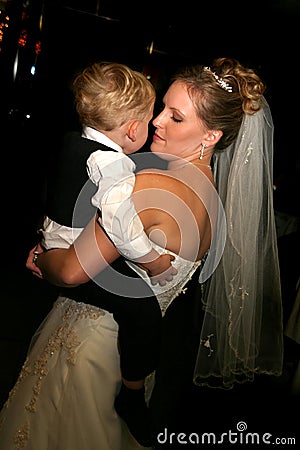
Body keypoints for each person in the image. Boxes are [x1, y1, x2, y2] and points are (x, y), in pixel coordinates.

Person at [0, 57, 283, 450]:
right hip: (133, 358)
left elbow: (68, 272)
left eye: (176, 118)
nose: (157, 121)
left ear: (211, 137)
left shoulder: (151, 185)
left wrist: (42, 259)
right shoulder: (211, 197)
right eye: (163, 107)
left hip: (90, 349)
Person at [32, 61, 177, 447]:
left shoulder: (72, 141)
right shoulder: (111, 164)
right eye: (149, 120)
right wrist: (154, 261)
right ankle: (132, 393)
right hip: (73, 256)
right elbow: (121, 227)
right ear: (134, 129)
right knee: (143, 306)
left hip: (56, 240)